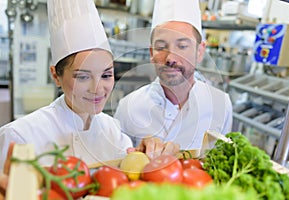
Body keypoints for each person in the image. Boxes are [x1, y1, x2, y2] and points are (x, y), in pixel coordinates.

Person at [0, 0, 179, 172]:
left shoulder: (113, 131)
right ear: (56, 75)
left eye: (106, 75)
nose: (98, 89)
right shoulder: (19, 136)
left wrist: (147, 158)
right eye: (83, 77)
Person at [114, 0, 233, 150]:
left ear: (200, 51)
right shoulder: (128, 107)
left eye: (182, 46)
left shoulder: (220, 104)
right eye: (161, 47)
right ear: (151, 53)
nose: (170, 58)